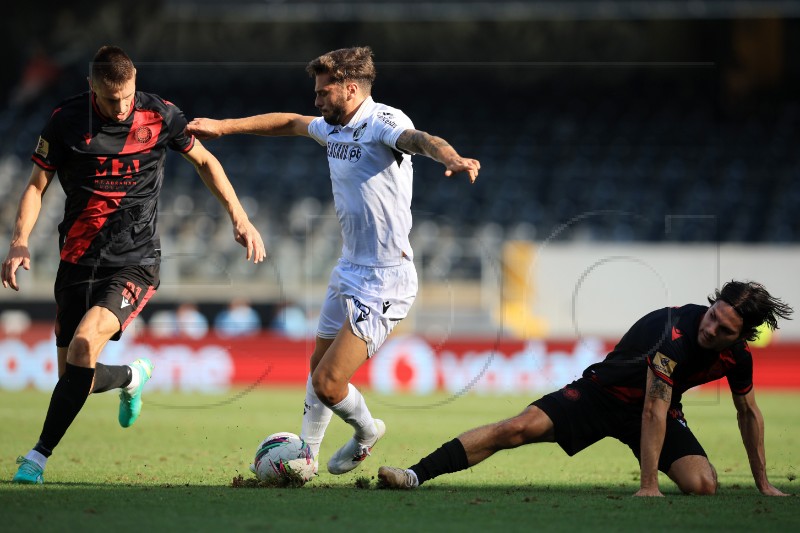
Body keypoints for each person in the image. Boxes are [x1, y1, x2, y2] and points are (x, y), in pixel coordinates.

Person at [187, 46, 480, 475]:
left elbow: (420, 141)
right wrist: (223, 127)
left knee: (328, 383)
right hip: (348, 268)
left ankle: (366, 432)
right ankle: (307, 454)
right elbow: (288, 122)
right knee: (316, 368)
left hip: (386, 279)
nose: (317, 100)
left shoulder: (383, 122)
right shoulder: (331, 127)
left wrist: (450, 157)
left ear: (350, 88)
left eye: (324, 92)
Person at [2, 45, 265, 484]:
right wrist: (19, 241)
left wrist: (240, 217)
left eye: (127, 96)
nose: (121, 107)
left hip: (135, 261)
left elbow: (204, 160)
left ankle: (36, 457)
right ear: (91, 87)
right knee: (74, 378)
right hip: (77, 260)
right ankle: (130, 376)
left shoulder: (160, 115)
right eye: (110, 99)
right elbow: (36, 185)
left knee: (86, 344)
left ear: (135, 80)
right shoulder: (66, 121)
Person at [378, 281, 792, 497]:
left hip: (654, 411)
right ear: (712, 303)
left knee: (704, 485)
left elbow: (748, 413)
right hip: (601, 395)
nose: (711, 328)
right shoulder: (675, 330)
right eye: (713, 315)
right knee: (516, 429)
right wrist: (649, 485)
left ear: (742, 336)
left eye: (724, 329)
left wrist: (764, 482)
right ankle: (413, 474)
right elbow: (652, 407)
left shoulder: (737, 357)